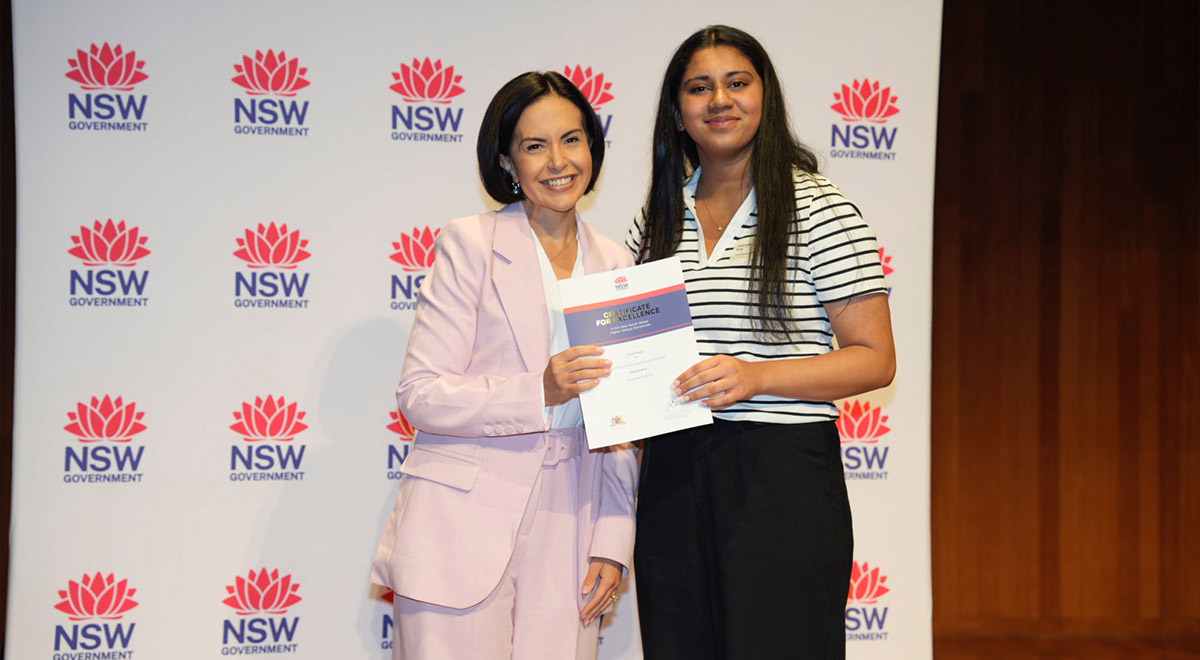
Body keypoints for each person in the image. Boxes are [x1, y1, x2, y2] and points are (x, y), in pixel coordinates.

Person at [626, 26, 896, 659]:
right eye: (699, 88)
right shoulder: (658, 216)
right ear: (678, 113)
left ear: (765, 97)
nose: (719, 99)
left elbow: (876, 358)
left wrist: (757, 376)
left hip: (779, 474)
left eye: (737, 82)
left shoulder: (818, 205)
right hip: (672, 474)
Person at [371, 71, 638, 660]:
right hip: (461, 517)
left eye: (572, 139)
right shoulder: (469, 243)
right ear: (507, 160)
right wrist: (537, 389)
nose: (558, 161)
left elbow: (625, 425)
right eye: (534, 145)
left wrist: (613, 543)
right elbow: (421, 393)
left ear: (593, 146)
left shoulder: (618, 263)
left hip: (573, 519)